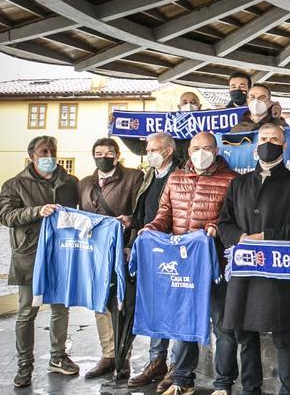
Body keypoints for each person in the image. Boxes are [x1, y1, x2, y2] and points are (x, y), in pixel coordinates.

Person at [141, 132, 239, 395]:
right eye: (196, 147)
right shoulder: (175, 178)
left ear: (217, 151)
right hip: (182, 265)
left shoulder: (232, 180)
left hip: (216, 263)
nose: (201, 152)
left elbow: (234, 219)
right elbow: (165, 214)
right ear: (189, 151)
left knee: (223, 326)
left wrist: (215, 228)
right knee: (184, 323)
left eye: (207, 148)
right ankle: (182, 381)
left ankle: (223, 384)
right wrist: (151, 229)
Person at [218, 123, 290, 395]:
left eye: (274, 139)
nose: (268, 143)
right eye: (264, 139)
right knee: (244, 334)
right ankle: (250, 388)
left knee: (283, 335)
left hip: (276, 272)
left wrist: (265, 236)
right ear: (255, 145)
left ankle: (289, 390)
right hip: (243, 269)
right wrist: (241, 237)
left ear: (284, 146)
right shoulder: (239, 183)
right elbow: (225, 222)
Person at [0, 135, 80, 388]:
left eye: (52, 151)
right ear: (32, 156)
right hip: (30, 255)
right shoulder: (14, 184)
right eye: (43, 152)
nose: (49, 157)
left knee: (60, 309)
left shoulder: (70, 183)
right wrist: (37, 211)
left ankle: (58, 357)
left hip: (60, 254)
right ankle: (25, 365)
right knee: (27, 312)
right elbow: (5, 215)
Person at [76, 138, 142, 380]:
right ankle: (108, 354)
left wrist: (130, 243)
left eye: (109, 152)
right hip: (94, 252)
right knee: (100, 303)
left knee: (120, 304)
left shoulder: (133, 178)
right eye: (98, 152)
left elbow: (140, 212)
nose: (103, 156)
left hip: (121, 250)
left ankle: (123, 356)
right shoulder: (84, 183)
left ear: (117, 155)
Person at [128, 132, 184, 389]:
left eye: (153, 149)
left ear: (168, 150)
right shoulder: (150, 175)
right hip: (151, 248)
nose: (149, 153)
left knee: (176, 308)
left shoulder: (181, 174)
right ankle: (156, 361)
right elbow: (144, 209)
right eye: (148, 149)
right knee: (156, 307)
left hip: (175, 248)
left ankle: (176, 366)